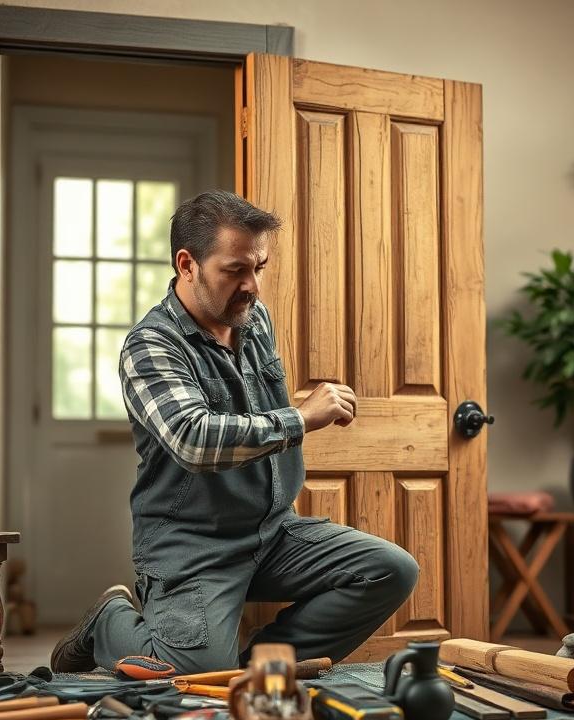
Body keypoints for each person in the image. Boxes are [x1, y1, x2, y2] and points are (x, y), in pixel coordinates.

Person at [51, 190, 419, 674]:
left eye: (259, 267)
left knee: (392, 570)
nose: (253, 286)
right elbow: (194, 439)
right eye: (236, 270)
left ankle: (255, 668)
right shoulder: (151, 346)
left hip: (273, 531)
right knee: (191, 676)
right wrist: (301, 418)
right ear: (187, 265)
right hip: (193, 545)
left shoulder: (253, 318)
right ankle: (110, 621)